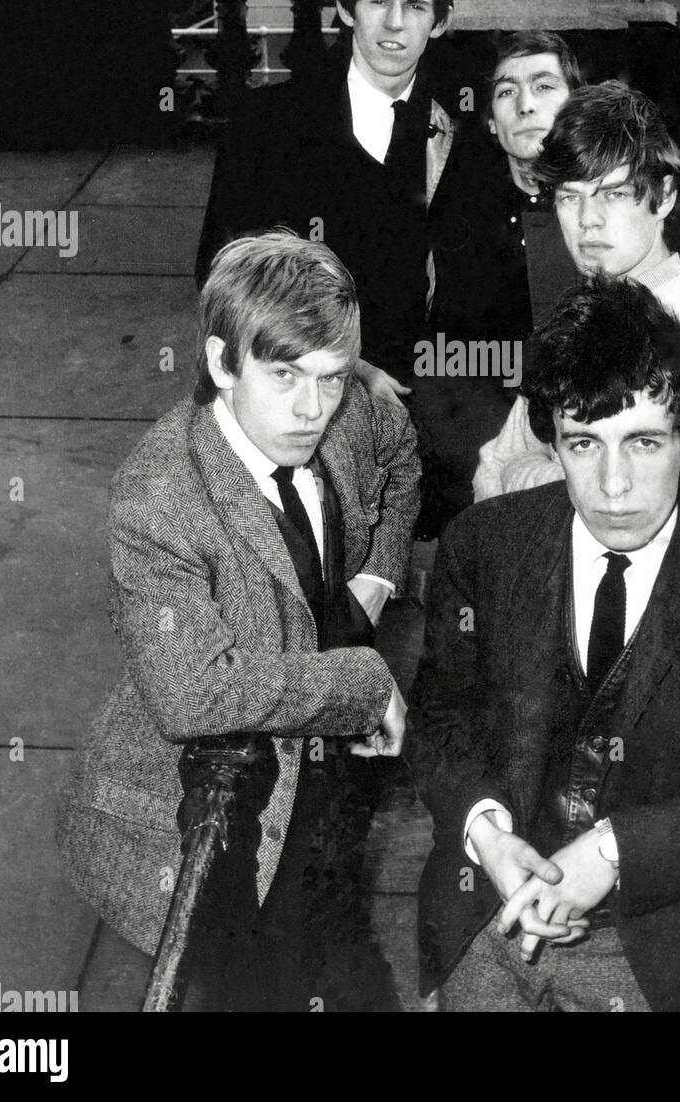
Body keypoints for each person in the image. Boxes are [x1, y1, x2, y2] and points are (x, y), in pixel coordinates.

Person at [409, 276, 680, 1012]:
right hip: (485, 921)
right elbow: (438, 720)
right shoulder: (484, 545)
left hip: (658, 953)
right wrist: (486, 834)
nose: (613, 485)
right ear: (553, 440)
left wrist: (617, 851)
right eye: (583, 443)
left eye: (643, 442)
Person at [56, 229, 420, 1011]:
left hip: (324, 795)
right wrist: (359, 678)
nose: (310, 408)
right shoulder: (160, 498)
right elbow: (193, 693)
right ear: (222, 364)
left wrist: (376, 579)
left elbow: (399, 450)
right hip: (212, 821)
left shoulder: (345, 415)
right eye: (282, 375)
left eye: (330, 377)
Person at [195, 0, 457, 397]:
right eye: (378, 1)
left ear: (440, 22)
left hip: (424, 390)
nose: (394, 24)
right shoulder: (264, 125)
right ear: (346, 8)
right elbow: (223, 276)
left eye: (415, 6)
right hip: (292, 383)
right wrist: (349, 368)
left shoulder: (459, 135)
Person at [473, 81, 680, 501]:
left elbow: (643, 517)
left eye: (614, 194)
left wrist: (527, 477)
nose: (588, 219)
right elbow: (494, 463)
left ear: (662, 198)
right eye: (571, 197)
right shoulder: (581, 311)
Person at [428, 29, 584, 346]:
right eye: (507, 92)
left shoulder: (607, 214)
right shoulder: (463, 218)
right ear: (491, 123)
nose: (525, 105)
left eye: (544, 86)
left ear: (575, 105)